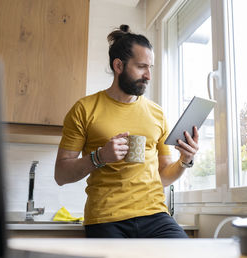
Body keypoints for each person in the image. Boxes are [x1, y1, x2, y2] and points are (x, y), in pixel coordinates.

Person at [54, 24, 199, 238]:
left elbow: (163, 177)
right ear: (118, 65)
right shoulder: (84, 109)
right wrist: (100, 157)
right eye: (141, 67)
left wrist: (185, 160)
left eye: (150, 67)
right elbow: (61, 175)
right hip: (106, 218)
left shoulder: (156, 113)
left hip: (155, 216)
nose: (148, 75)